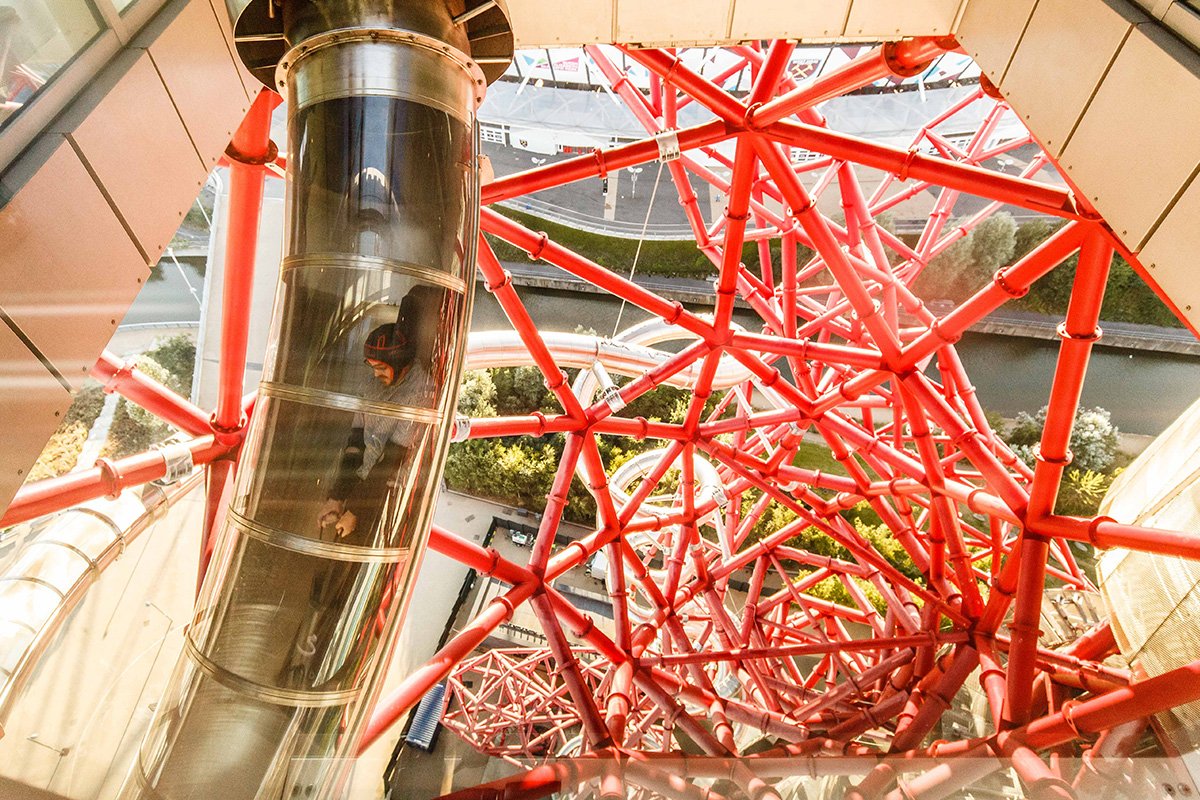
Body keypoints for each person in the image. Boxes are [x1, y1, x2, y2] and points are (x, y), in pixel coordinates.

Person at [316, 322, 432, 542]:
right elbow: (356, 443)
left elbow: (394, 459)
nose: (375, 373)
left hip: (389, 492)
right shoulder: (370, 385)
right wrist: (337, 497)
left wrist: (356, 511)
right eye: (372, 366)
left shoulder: (420, 393)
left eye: (380, 367)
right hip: (365, 481)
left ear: (400, 362)